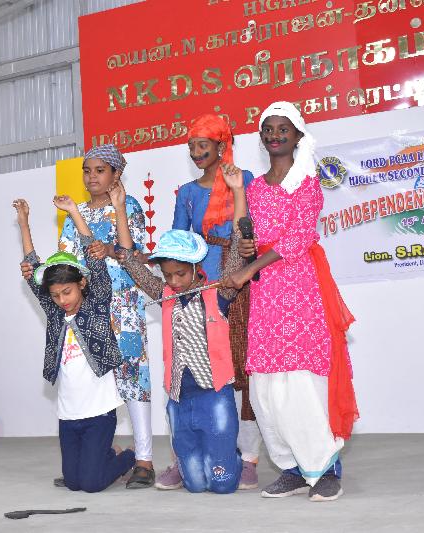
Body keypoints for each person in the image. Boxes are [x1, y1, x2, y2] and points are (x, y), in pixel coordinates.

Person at [223, 101, 358, 502]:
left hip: (300, 287)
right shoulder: (256, 186)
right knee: (266, 385)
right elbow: (249, 235)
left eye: (283, 129)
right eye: (268, 129)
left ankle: (326, 467)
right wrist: (245, 247)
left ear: (298, 135)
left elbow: (297, 238)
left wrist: (248, 269)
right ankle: (292, 468)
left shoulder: (308, 181)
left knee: (302, 381)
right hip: (266, 292)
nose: (275, 135)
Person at [160, 114, 261, 490]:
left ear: (222, 146)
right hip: (199, 295)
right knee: (193, 377)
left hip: (241, 285)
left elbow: (254, 230)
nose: (197, 152)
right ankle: (185, 459)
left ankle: (247, 458)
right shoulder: (186, 193)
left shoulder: (245, 181)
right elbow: (176, 244)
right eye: (192, 146)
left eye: (204, 145)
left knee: (243, 377)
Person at [15, 197, 136, 493]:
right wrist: (24, 223)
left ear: (81, 284)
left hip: (99, 412)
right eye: (55, 295)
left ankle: (128, 457)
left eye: (67, 292)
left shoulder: (95, 302)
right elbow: (32, 265)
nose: (62, 300)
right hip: (69, 415)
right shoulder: (56, 313)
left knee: (91, 484)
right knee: (73, 483)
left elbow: (93, 259)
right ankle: (103, 458)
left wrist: (73, 212)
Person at [58, 144, 155, 488]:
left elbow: (137, 256)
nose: (92, 177)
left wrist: (110, 250)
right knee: (95, 380)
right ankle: (98, 455)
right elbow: (67, 262)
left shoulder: (128, 206)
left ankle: (143, 460)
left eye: (100, 170)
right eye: (87, 171)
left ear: (116, 174)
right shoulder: (76, 212)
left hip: (123, 307)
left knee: (132, 379)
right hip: (89, 313)